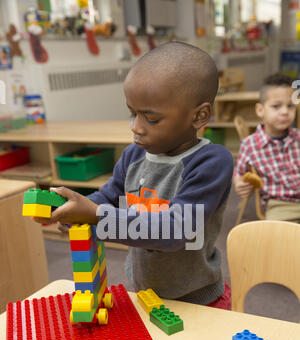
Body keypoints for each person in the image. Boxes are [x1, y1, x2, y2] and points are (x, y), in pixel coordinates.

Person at [34, 41, 234, 308]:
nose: (136, 128)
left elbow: (177, 230)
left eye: (151, 119)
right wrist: (69, 209)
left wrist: (94, 215)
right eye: (132, 113)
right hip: (143, 291)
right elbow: (108, 197)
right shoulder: (133, 154)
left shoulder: (211, 162)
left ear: (199, 116)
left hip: (196, 298)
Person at [234, 73, 300, 222]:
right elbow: (238, 173)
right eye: (276, 106)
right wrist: (239, 184)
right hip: (278, 205)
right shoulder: (250, 144)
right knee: (280, 238)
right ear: (260, 110)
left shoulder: (298, 138)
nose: (284, 111)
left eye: (290, 106)